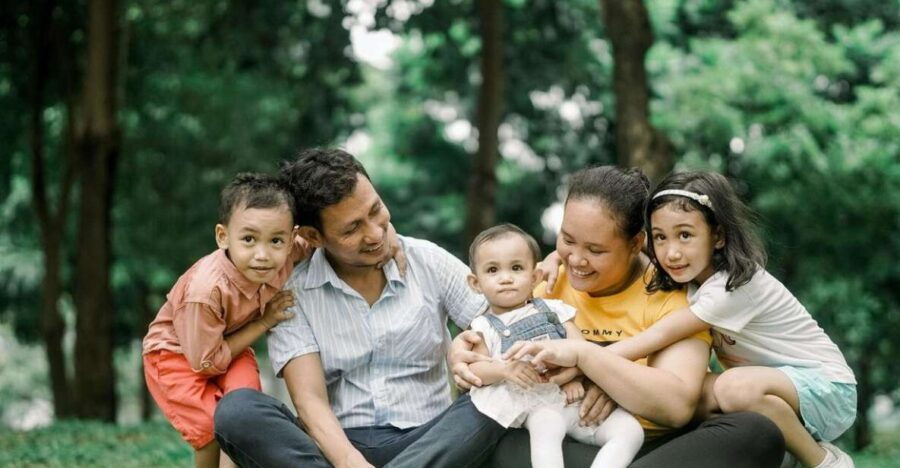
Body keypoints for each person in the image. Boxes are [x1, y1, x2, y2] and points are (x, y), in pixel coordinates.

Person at [452, 165, 786, 467]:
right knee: (497, 436)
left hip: (646, 448)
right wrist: (463, 354)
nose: (577, 260)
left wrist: (591, 363)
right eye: (567, 240)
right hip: (554, 444)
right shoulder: (545, 281)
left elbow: (676, 406)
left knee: (756, 432)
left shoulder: (670, 293)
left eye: (595, 250)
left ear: (635, 243)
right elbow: (488, 355)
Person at [213, 148, 506, 468]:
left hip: (432, 438)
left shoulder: (427, 260)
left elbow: (505, 320)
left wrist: (476, 346)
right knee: (237, 411)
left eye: (376, 210)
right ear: (313, 236)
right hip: (337, 446)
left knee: (499, 394)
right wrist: (351, 462)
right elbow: (310, 401)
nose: (375, 233)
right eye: (352, 229)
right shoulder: (292, 293)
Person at [595, 171, 856, 468]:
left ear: (718, 236)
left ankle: (823, 461)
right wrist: (558, 259)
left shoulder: (735, 285)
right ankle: (782, 451)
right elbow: (623, 255)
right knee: (683, 393)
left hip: (829, 388)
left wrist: (591, 361)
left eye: (685, 235)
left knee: (732, 388)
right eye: (660, 238)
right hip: (773, 389)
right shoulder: (692, 277)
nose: (671, 252)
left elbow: (658, 336)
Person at [142, 173, 306, 468]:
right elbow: (204, 363)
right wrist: (264, 321)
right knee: (208, 428)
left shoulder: (291, 251)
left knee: (246, 414)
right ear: (223, 237)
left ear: (291, 238)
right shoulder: (205, 292)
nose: (263, 255)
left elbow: (326, 240)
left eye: (276, 241)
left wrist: (388, 240)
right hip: (177, 355)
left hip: (228, 345)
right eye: (248, 239)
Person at [465, 223, 644, 468]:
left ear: (535, 276)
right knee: (546, 431)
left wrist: (573, 379)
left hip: (573, 401)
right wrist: (503, 370)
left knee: (631, 431)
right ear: (476, 282)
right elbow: (476, 371)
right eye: (493, 270)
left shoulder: (554, 310)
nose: (506, 278)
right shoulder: (484, 326)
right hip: (536, 406)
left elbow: (581, 351)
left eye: (516, 268)